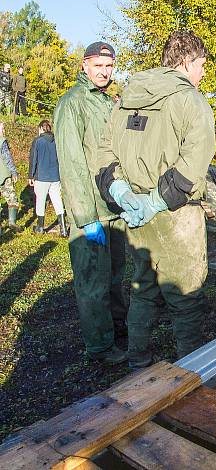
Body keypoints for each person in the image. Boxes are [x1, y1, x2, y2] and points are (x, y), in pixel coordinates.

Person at [96, 30, 215, 368]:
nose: (203, 73)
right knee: (185, 296)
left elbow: (103, 152)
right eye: (202, 64)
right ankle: (191, 372)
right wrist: (157, 201)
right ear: (188, 61)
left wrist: (119, 190)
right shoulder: (190, 100)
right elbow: (193, 164)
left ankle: (138, 364)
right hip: (176, 213)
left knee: (144, 288)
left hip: (134, 213)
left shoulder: (126, 99)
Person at [54, 41, 129, 365]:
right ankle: (100, 346)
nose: (104, 71)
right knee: (93, 283)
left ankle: (117, 330)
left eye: (109, 66)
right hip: (91, 213)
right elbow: (71, 163)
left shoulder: (107, 102)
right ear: (84, 66)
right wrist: (85, 217)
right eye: (98, 65)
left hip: (112, 208)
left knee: (114, 278)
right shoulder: (73, 104)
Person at [28, 119, 67, 237]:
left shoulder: (38, 141)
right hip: (55, 176)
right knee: (57, 200)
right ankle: (63, 229)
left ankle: (40, 227)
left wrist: (31, 175)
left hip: (42, 177)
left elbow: (33, 159)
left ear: (41, 128)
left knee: (40, 200)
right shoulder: (57, 141)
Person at [0, 122, 21, 235]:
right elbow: (6, 158)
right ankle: (12, 223)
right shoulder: (2, 141)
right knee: (12, 198)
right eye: (2, 128)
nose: (4, 130)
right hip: (3, 175)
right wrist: (14, 172)